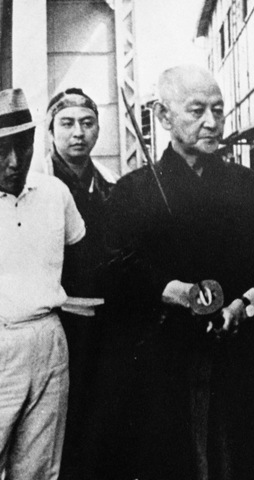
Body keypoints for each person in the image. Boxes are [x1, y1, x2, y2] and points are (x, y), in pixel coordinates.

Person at [99, 64, 254, 480]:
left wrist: (245, 304)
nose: (211, 122)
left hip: (241, 352)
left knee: (245, 457)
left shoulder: (253, 188)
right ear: (163, 117)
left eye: (218, 110)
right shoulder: (133, 192)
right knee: (172, 459)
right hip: (164, 356)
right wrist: (170, 290)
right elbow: (112, 269)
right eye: (196, 111)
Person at [0, 88, 85, 478]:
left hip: (49, 341)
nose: (13, 162)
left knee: (39, 468)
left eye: (22, 146)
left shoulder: (55, 193)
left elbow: (84, 256)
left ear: (36, 140)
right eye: (1, 149)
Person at [43, 87, 118, 479]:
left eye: (87, 123)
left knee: (102, 421)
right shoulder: (37, 189)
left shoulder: (111, 186)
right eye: (67, 123)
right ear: (50, 130)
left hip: (105, 325)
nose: (78, 133)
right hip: (58, 324)